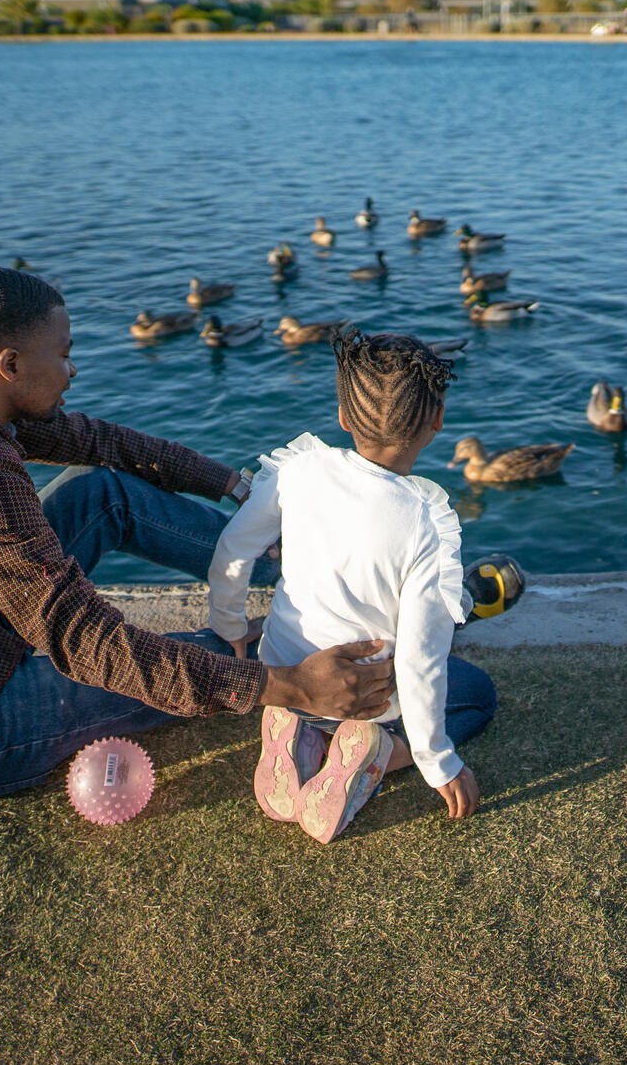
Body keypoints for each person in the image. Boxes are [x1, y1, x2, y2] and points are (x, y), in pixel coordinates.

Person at [0, 266, 396, 805]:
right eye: (64, 356)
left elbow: (100, 444)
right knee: (237, 658)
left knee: (101, 490)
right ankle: (305, 646)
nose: (73, 370)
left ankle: (315, 574)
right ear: (9, 366)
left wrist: (239, 488)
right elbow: (83, 639)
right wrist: (284, 684)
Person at [208, 329, 518, 843]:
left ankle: (296, 728)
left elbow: (233, 550)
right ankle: (378, 752)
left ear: (344, 417)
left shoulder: (300, 470)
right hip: (369, 698)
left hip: (285, 672)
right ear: (437, 424)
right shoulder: (425, 521)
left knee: (317, 683)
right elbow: (421, 660)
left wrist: (229, 624)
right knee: (476, 694)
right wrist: (438, 761)